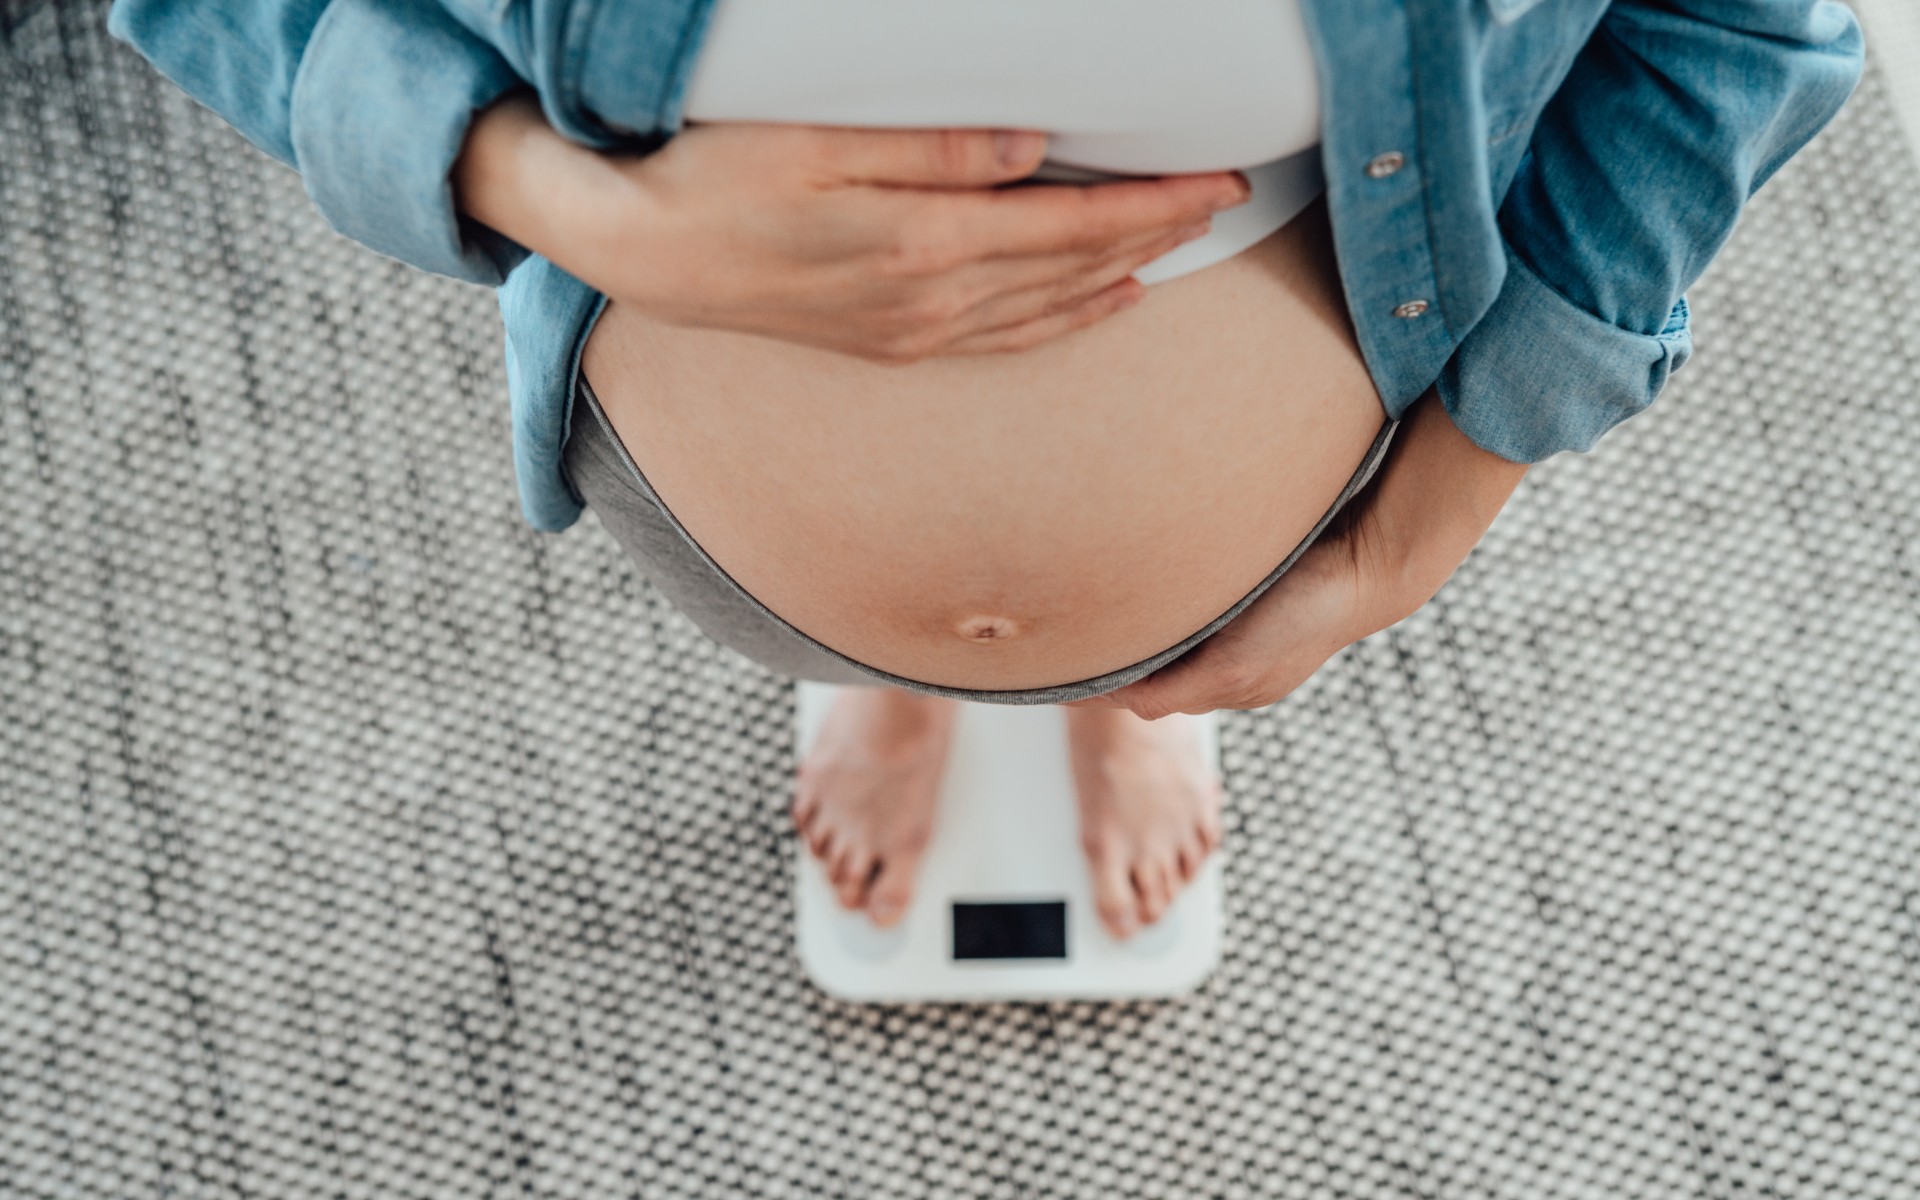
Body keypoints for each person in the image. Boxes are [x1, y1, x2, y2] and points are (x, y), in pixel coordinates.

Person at [108, 0, 1864, 940]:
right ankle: (904, 685)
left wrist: (1439, 514)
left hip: (1253, 515)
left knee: (1143, 669)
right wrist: (565, 198)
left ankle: (1100, 699)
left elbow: (1743, 24)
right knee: (850, 640)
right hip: (723, 504)